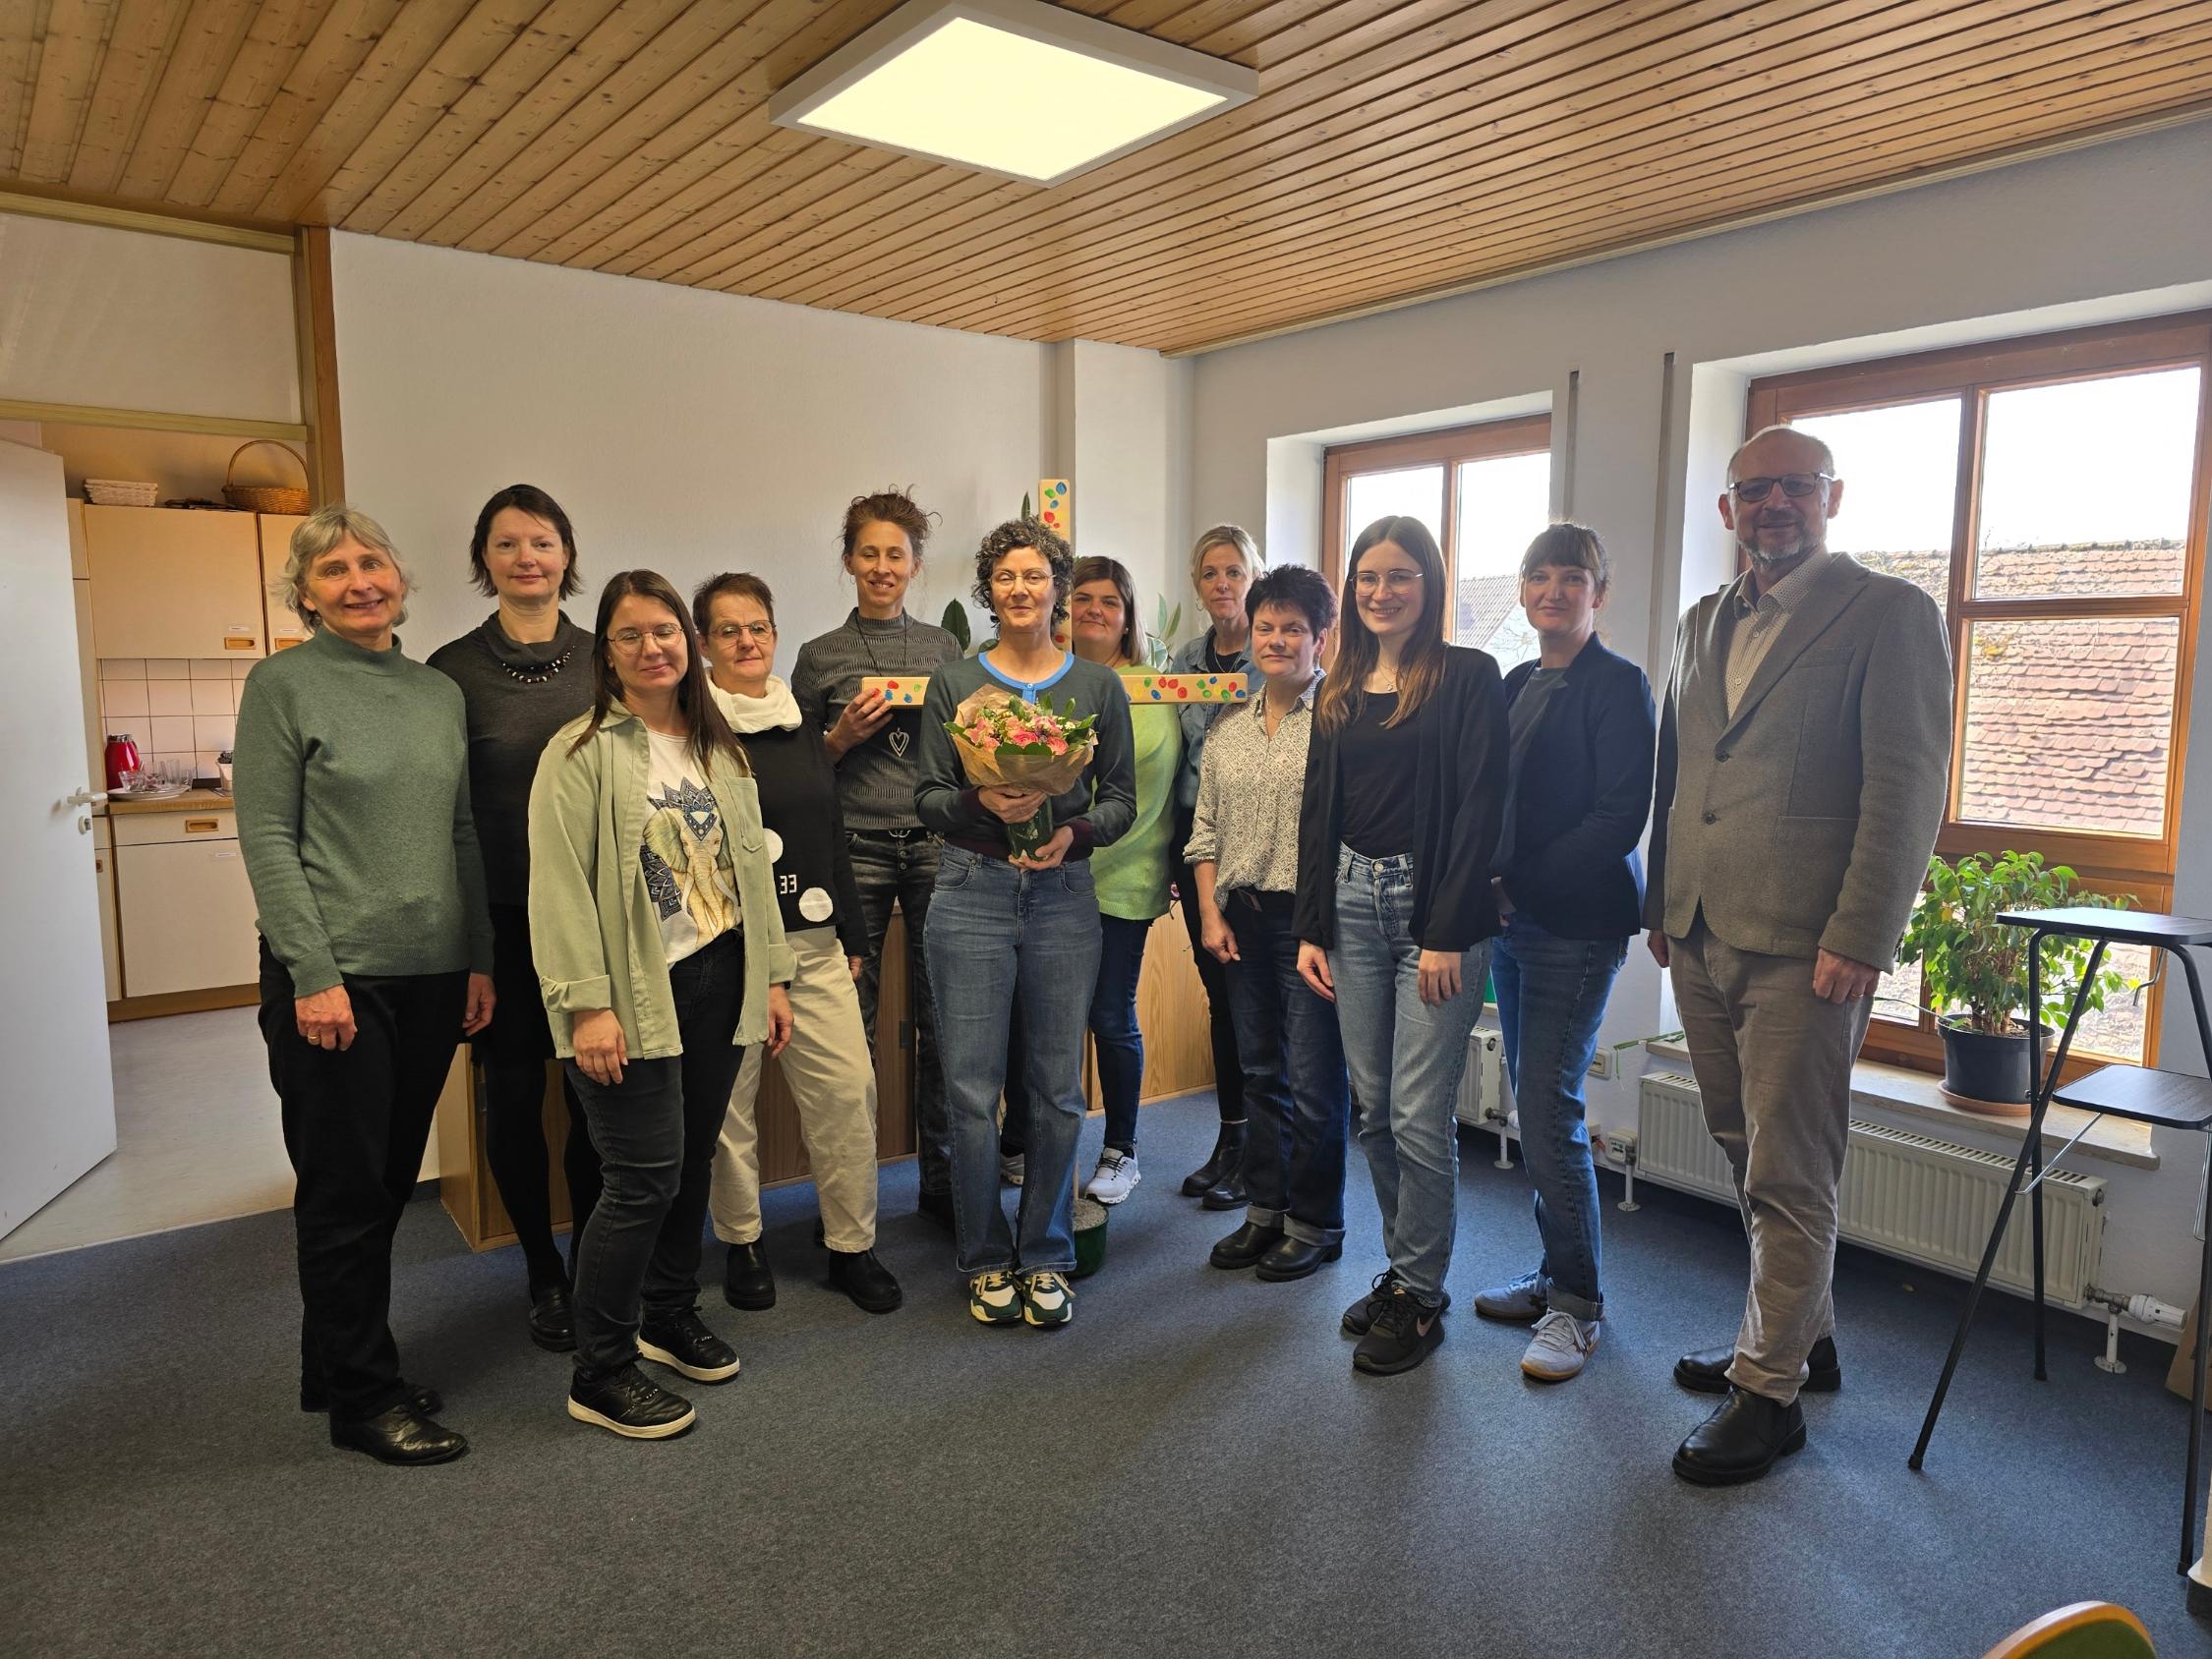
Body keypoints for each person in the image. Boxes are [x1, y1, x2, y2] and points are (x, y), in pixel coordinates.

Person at [1649, 426, 1950, 1484]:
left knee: (1790, 1166)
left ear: (1833, 496)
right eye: (1754, 490)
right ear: (1726, 509)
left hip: (1808, 945)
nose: (1774, 504)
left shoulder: (1890, 613)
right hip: (1699, 928)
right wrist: (1659, 901)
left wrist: (1862, 936)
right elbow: (1678, 771)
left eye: (1795, 486)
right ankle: (1801, 1336)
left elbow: (1908, 786)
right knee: (1742, 1145)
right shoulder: (1702, 619)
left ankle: (1768, 1395)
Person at [236, 504, 495, 1465]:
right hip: (335, 978)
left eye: (371, 563)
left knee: (384, 1183)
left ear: (400, 577)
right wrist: (312, 973)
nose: (359, 582)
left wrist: (477, 955)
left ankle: (336, 1365)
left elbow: (460, 830)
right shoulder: (282, 684)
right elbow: (267, 835)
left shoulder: (435, 692)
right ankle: (363, 1397)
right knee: (344, 1190)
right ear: (305, 593)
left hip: (431, 973)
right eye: (334, 569)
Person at [529, 570, 795, 1440]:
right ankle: (601, 1370)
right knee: (639, 1180)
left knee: (687, 1167)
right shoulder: (579, 753)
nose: (652, 648)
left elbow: (751, 872)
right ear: (606, 654)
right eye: (631, 635)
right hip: (631, 992)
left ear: (689, 642)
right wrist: (586, 1006)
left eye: (666, 631)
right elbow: (558, 890)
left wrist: (772, 977)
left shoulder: (719, 748)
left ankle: (668, 1315)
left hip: (719, 980)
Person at [1297, 515, 1509, 1377]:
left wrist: (1448, 931)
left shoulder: (1468, 676)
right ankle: (1403, 1271)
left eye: (1400, 576)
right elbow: (1318, 811)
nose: (1382, 592)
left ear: (1431, 584)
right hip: (1350, 903)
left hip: (1434, 916)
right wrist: (1312, 926)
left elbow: (1482, 809)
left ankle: (1420, 1293)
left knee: (1420, 1116)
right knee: (1375, 1108)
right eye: (1368, 577)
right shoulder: (1339, 686)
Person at [914, 519, 1135, 1329]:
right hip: (970, 889)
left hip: (1064, 896)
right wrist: (983, 800)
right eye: (1005, 576)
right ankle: (982, 1257)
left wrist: (1072, 830)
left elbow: (1121, 801)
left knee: (1056, 1087)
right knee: (972, 1090)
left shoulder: (1098, 687)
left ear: (1057, 589)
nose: (1020, 589)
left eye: (1035, 575)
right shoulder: (953, 683)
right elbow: (928, 797)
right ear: (989, 589)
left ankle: (1045, 1252)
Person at [1474, 524, 1656, 1384]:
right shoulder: (1516, 682)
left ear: (1598, 593)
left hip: (1575, 924)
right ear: (1522, 591)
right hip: (1514, 922)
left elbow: (1617, 819)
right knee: (1533, 1102)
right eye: (1539, 576)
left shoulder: (1618, 685)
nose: (1553, 590)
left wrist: (1519, 886)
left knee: (1548, 1111)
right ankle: (1554, 1274)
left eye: (1572, 577)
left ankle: (1577, 1309)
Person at [694, 572, 902, 1316]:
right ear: (704, 644)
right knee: (730, 1108)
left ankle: (851, 1246)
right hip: (728, 947)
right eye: (728, 630)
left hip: (812, 941)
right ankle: (742, 1241)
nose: (746, 641)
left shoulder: (800, 723)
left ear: (775, 636)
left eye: (758, 627)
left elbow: (828, 831)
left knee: (849, 1093)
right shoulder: (694, 731)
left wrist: (852, 930)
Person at [427, 484, 601, 1353]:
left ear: (567, 555)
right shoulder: (451, 670)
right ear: (484, 560)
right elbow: (443, 813)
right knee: (517, 1095)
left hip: (601, 917)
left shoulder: (608, 656)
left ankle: (595, 1261)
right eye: (506, 544)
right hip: (502, 918)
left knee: (597, 1093)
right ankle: (542, 1270)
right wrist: (470, 950)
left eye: (542, 542)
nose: (526, 558)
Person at [790, 492, 961, 1229]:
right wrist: (839, 739)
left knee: (942, 1021)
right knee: (846, 1031)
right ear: (848, 561)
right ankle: (850, 1199)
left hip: (933, 847)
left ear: (915, 565)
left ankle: (943, 1185)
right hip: (852, 850)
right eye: (869, 553)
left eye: (897, 555)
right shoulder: (818, 657)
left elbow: (965, 753)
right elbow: (795, 773)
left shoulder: (945, 651)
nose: (883, 567)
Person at [1187, 564, 1351, 1283]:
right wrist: (1208, 910)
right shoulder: (1228, 728)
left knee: (1314, 1082)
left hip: (1311, 924)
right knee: (1259, 1074)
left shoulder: (1342, 722)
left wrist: (1322, 927)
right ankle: (1265, 1210)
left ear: (1321, 638)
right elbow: (1205, 830)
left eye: (1293, 629)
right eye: (1266, 627)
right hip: (1240, 920)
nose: (1277, 640)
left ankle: (1316, 1224)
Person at [1002, 557, 1181, 1206]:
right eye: (1082, 600)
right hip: (1048, 878)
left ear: (1128, 616)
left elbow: (1143, 791)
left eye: (1109, 601)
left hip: (1122, 877)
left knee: (1109, 1013)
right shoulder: (1050, 681)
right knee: (1034, 1018)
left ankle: (1120, 1149)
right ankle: (1022, 1140)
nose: (1094, 611)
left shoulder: (1153, 690)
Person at [1167, 526, 1263, 1207]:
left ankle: (1259, 1153)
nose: (1222, 583)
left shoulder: (1274, 652)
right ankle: (1231, 1140)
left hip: (1254, 845)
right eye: (1210, 573)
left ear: (1253, 577)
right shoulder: (1183, 660)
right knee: (1221, 1002)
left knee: (1253, 1004)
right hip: (1195, 842)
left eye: (1234, 571)